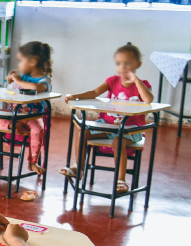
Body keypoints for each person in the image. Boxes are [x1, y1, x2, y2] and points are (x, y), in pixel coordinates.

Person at [59, 42, 154, 194]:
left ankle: (121, 180)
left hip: (131, 129)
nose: (123, 67)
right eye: (119, 63)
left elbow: (148, 100)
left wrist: (137, 80)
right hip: (108, 125)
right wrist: (75, 96)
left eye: (128, 63)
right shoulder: (112, 81)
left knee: (118, 141)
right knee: (82, 133)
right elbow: (95, 92)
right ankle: (79, 168)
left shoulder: (142, 85)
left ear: (138, 64)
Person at [0, 41, 53, 183]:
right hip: (12, 114)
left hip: (32, 116)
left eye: (21, 61)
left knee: (38, 129)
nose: (19, 65)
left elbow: (37, 88)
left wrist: (19, 81)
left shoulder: (44, 79)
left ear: (32, 62)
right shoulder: (22, 75)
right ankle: (11, 125)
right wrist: (10, 80)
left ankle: (32, 162)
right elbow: (10, 87)